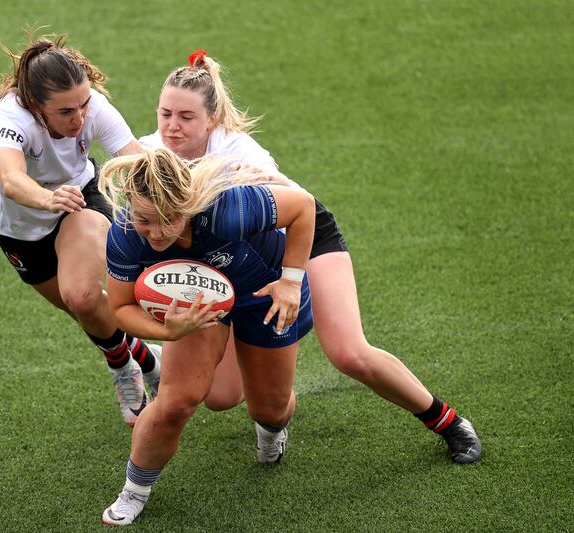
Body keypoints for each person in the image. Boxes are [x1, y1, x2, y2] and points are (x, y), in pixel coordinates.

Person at [138, 50, 482, 464]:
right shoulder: (151, 153)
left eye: (186, 117)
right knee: (220, 397)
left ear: (211, 119)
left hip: (300, 233)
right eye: (165, 114)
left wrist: (290, 278)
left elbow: (297, 207)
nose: (173, 126)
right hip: (228, 257)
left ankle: (447, 421)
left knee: (348, 352)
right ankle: (260, 398)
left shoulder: (238, 152)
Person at [98, 147, 317, 526]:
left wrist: (291, 281)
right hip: (195, 307)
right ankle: (134, 490)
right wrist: (169, 329)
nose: (152, 232)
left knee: (270, 409)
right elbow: (119, 308)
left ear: (186, 206)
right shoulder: (126, 233)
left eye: (165, 220)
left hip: (263, 292)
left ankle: (271, 429)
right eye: (144, 219)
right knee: (176, 401)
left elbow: (303, 207)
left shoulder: (226, 208)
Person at [0, 33, 162, 427]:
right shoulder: (5, 119)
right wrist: (47, 199)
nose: (79, 119)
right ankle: (146, 358)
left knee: (80, 296)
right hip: (18, 226)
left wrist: (188, 188)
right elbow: (11, 179)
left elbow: (136, 160)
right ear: (35, 107)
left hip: (80, 200)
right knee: (86, 311)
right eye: (65, 112)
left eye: (83, 104)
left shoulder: (91, 108)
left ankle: (122, 369)